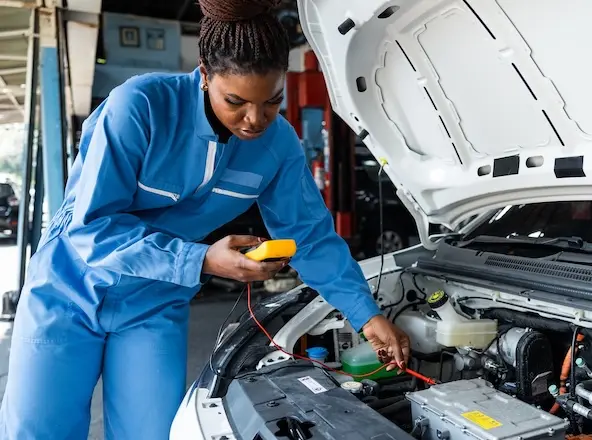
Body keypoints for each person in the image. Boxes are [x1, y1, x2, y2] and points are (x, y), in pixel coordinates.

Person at [0, 0, 411, 438]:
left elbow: (310, 237)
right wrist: (201, 261)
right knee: (39, 431)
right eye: (236, 101)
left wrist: (366, 314)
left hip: (154, 303)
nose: (255, 120)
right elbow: (92, 227)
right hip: (70, 288)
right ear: (204, 74)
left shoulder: (278, 145)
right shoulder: (139, 108)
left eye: (272, 101)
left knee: (153, 433)